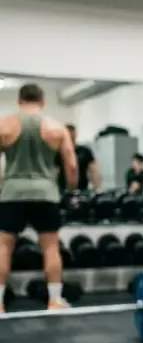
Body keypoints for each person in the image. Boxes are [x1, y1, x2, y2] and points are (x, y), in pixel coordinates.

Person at [0, 83, 79, 312]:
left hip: (12, 192)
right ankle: (54, 300)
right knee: (50, 247)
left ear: (19, 101)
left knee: (3, 247)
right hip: (46, 193)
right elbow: (71, 165)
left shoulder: (5, 125)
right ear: (43, 101)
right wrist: (71, 190)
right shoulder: (56, 127)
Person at [55, 124, 99, 193]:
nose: (70, 136)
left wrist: (97, 188)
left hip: (82, 190)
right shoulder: (59, 152)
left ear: (75, 134)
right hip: (63, 190)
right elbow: (55, 172)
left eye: (72, 133)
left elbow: (93, 171)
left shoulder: (85, 151)